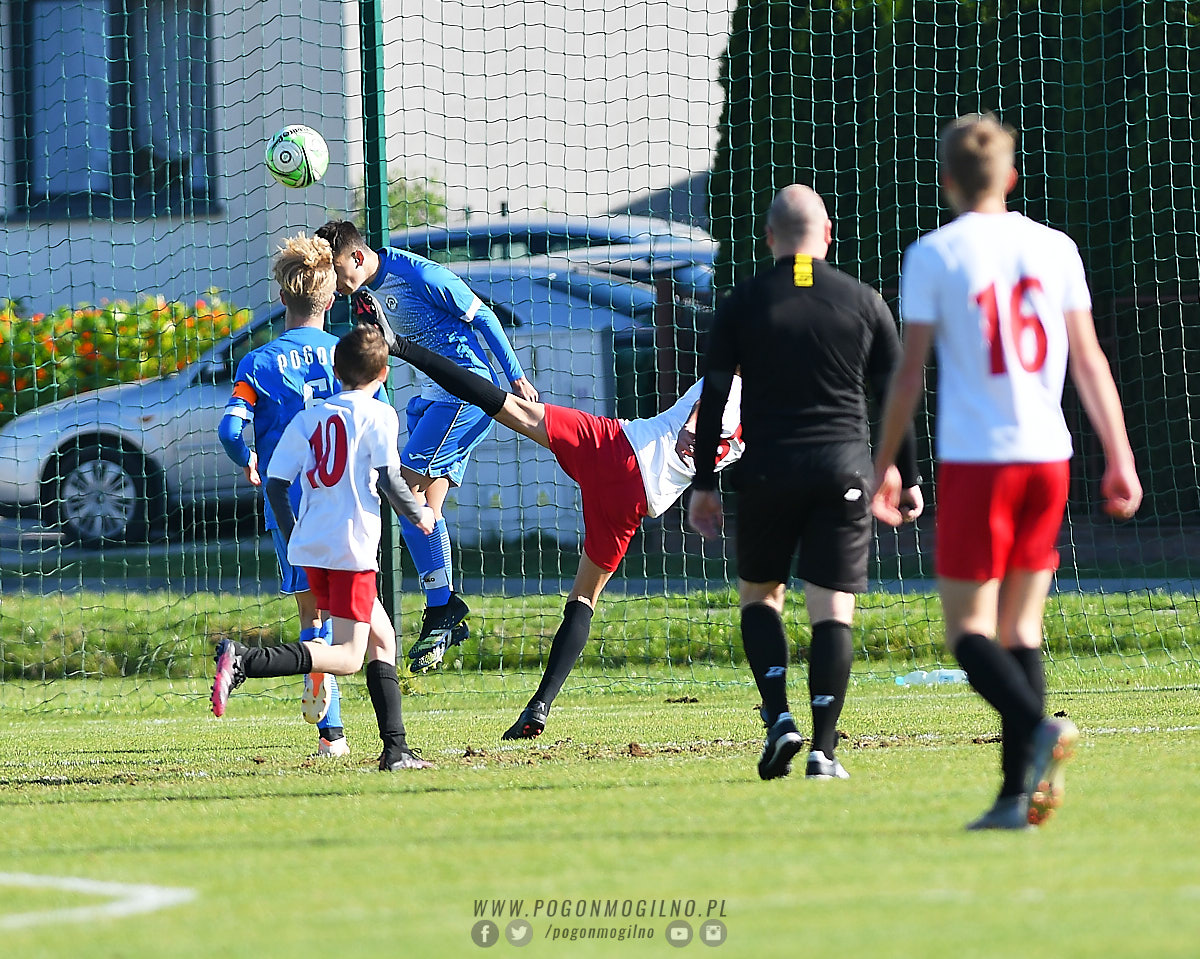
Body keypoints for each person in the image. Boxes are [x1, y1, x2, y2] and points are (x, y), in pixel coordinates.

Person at [871, 114, 1142, 829]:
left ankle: (1040, 727)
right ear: (1011, 177)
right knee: (1020, 630)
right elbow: (1089, 359)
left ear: (946, 181)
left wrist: (884, 464)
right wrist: (1119, 455)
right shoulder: (1055, 247)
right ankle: (1014, 798)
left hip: (979, 459)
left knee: (968, 633)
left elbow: (908, 375)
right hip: (1050, 456)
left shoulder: (934, 254)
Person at [352, 294, 745, 740]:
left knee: (506, 406)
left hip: (618, 448)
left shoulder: (732, 384)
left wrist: (694, 426)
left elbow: (710, 408)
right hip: (637, 502)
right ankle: (539, 706)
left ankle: (399, 346)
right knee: (584, 600)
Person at [687, 184, 924, 782]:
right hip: (844, 473)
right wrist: (909, 476)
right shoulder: (864, 301)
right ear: (827, 236)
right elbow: (896, 394)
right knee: (832, 609)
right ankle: (823, 750)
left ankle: (778, 718)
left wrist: (705, 483)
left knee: (760, 596)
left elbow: (716, 394)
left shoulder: (742, 302)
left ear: (769, 238)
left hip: (767, 472)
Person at [314, 220, 538, 674]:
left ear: (356, 257)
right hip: (431, 398)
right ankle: (443, 611)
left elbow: (484, 317)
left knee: (400, 491)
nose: (334, 283)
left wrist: (515, 377)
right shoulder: (364, 294)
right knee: (423, 513)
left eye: (335, 271)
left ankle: (438, 606)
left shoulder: (418, 275)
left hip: (463, 395)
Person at [212, 324, 438, 771]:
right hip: (351, 546)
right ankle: (245, 659)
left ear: (336, 371)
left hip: (312, 545)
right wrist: (420, 515)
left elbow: (276, 484)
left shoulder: (308, 419)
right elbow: (390, 480)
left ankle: (396, 749)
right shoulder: (379, 414)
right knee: (350, 656)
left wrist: (294, 532)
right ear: (384, 374)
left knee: (382, 637)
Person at [217, 232, 352, 757]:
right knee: (355, 613)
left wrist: (247, 458)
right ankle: (383, 732)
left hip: (290, 502)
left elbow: (230, 430)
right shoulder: (348, 355)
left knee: (311, 612)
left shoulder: (258, 363)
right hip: (344, 498)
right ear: (331, 297)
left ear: (281, 297)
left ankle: (331, 733)